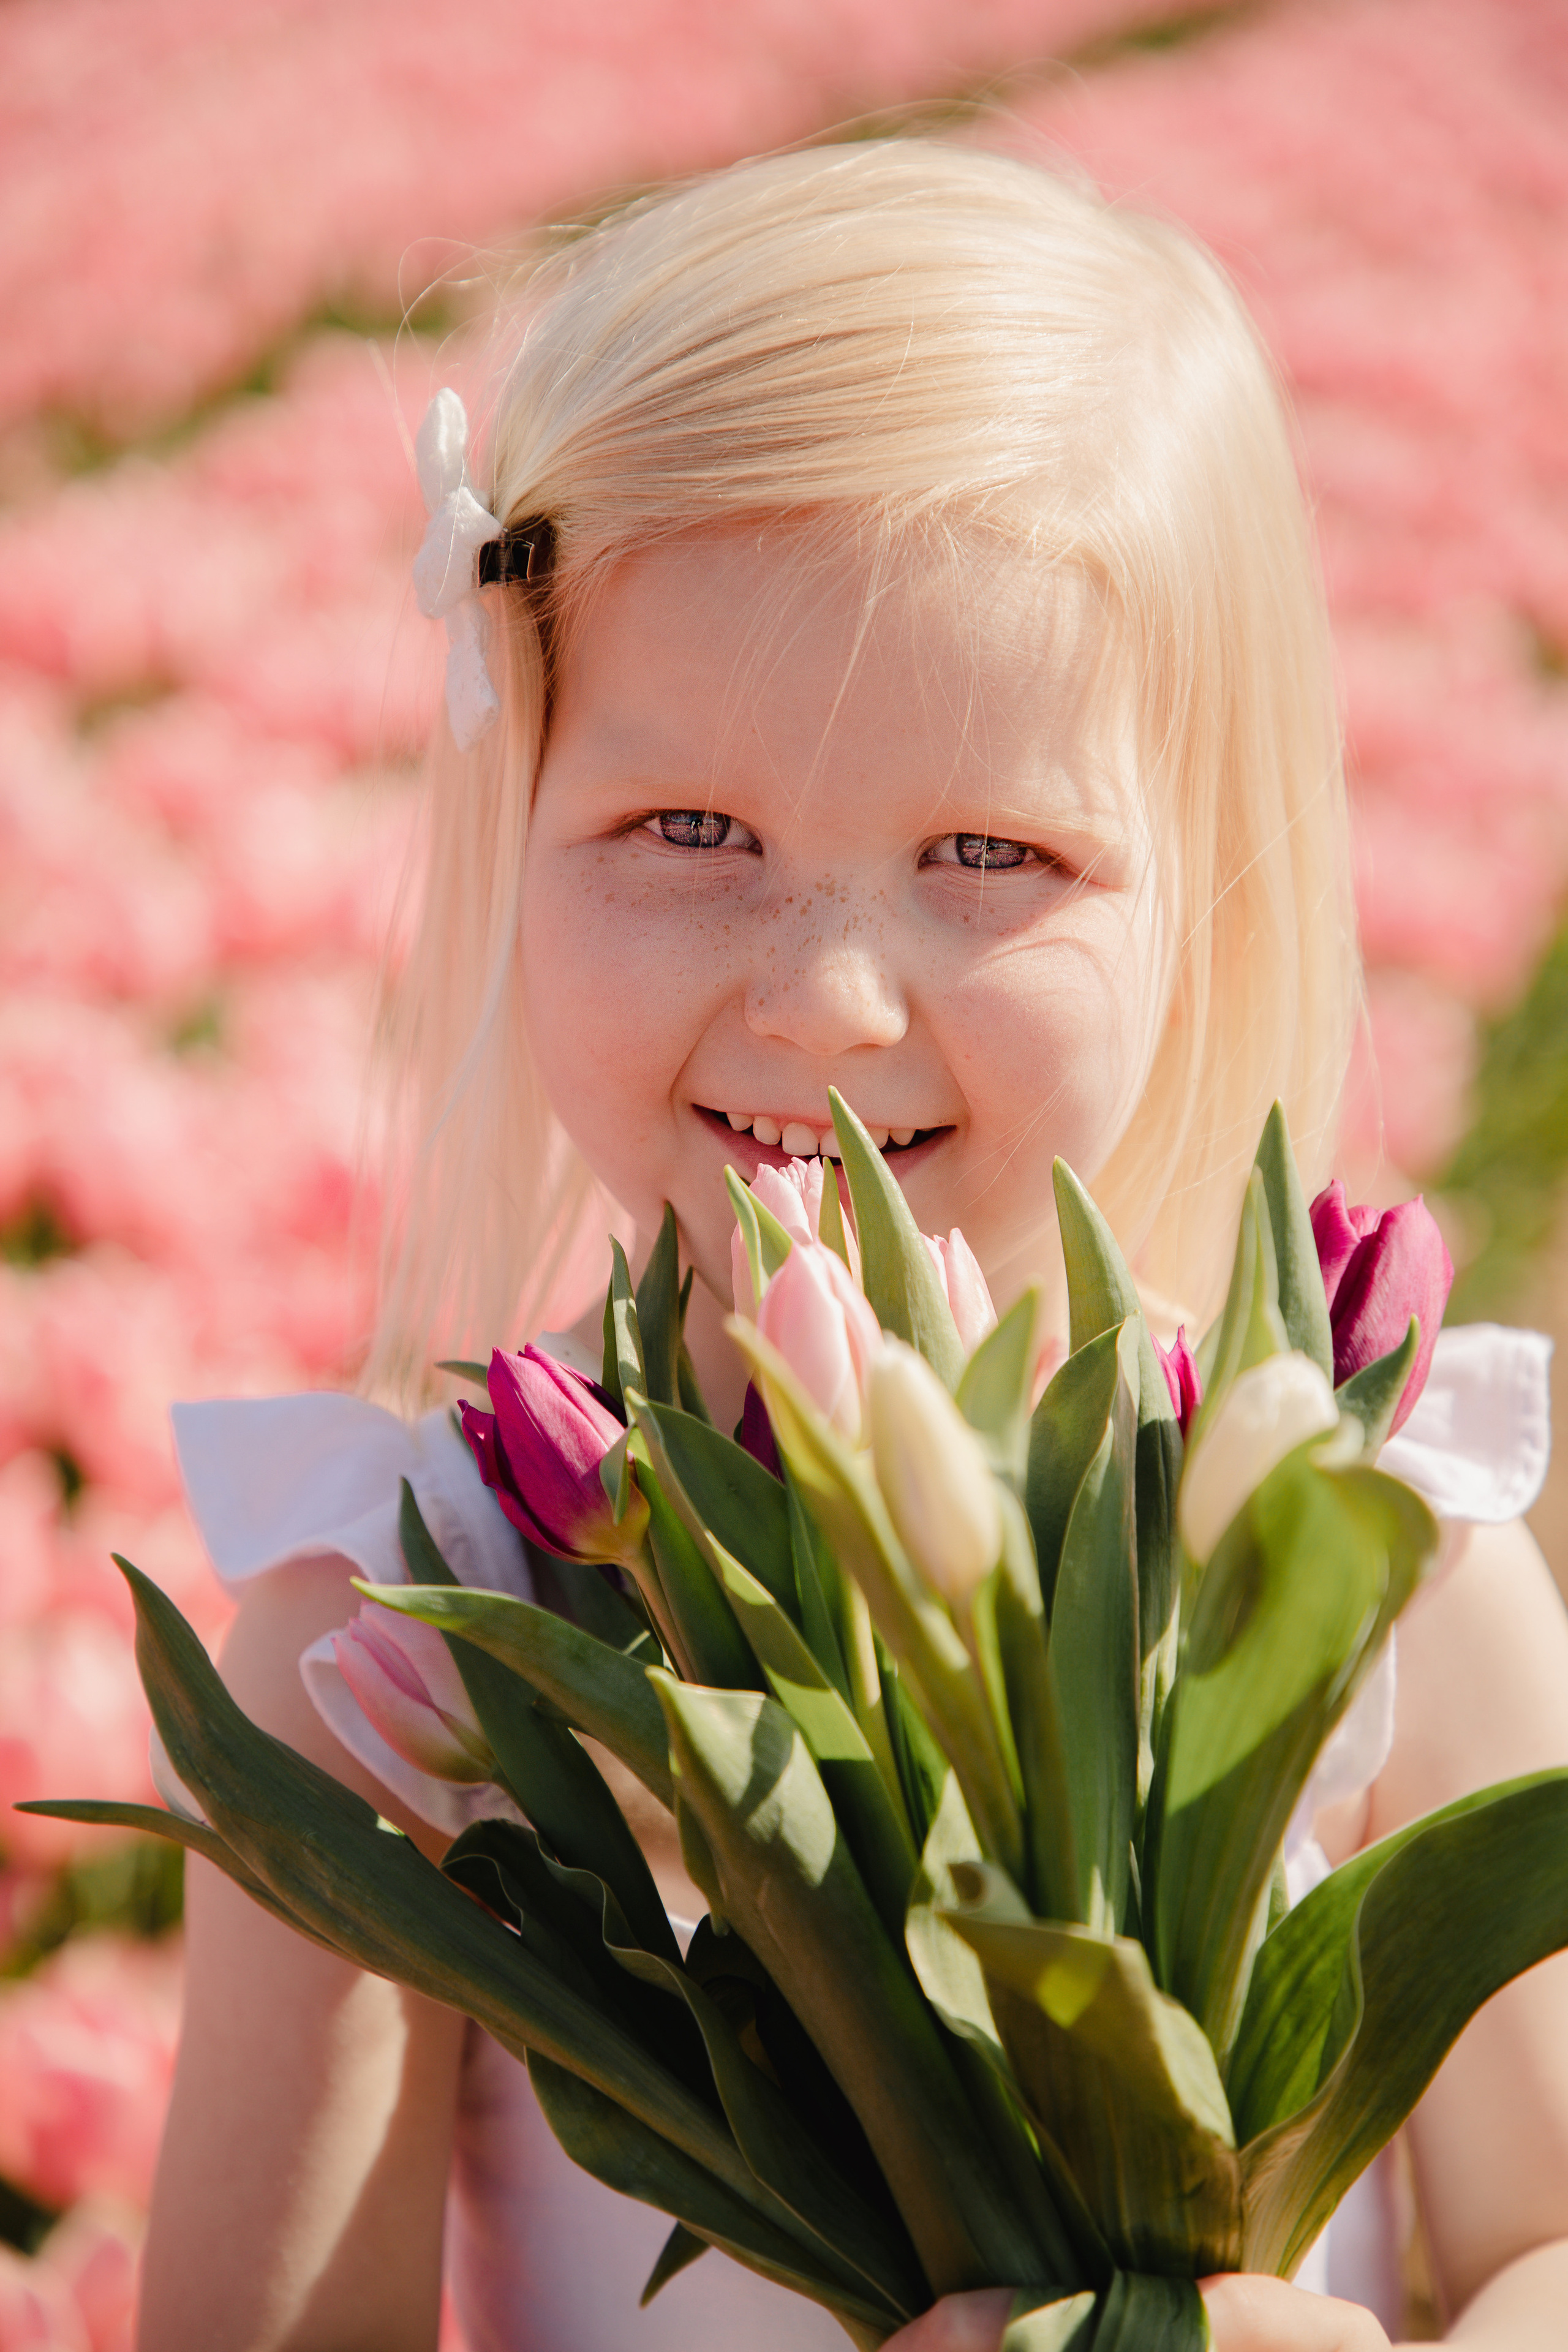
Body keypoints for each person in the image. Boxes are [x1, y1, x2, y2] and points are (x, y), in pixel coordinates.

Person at [137, 140, 1568, 2352]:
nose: (826, 997)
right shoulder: (392, 1677)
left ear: (1211, 895)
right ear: (509, 809)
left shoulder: (1366, 1556)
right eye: (689, 828)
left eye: (989, 850)